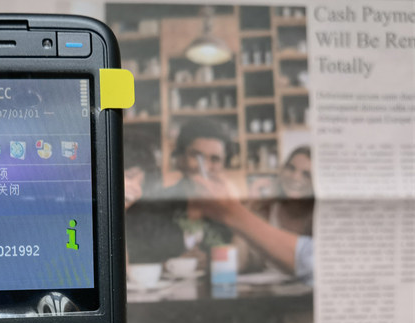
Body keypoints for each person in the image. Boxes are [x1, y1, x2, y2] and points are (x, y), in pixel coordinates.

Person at [189, 147, 314, 286]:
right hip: (272, 291)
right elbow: (239, 261)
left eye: (306, 174)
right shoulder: (267, 209)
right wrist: (212, 260)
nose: (295, 177)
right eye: (291, 168)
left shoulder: (319, 218)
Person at [124, 119, 233, 269]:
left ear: (224, 164)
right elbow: (135, 257)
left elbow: (248, 254)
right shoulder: (155, 204)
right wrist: (170, 263)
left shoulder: (228, 209)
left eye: (215, 159)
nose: (205, 167)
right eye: (197, 156)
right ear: (180, 158)